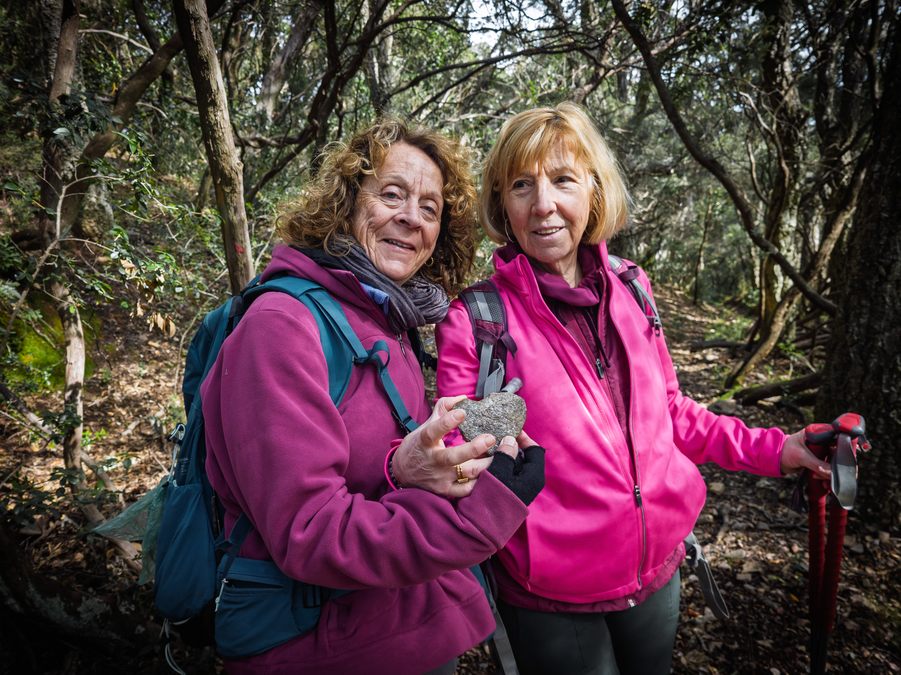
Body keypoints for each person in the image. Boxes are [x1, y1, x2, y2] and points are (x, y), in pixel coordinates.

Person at [435, 102, 830, 675]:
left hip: (657, 573)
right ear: (503, 202)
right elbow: (465, 459)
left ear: (593, 191)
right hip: (551, 594)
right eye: (522, 185)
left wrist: (778, 450)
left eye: (563, 180)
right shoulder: (478, 319)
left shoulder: (632, 288)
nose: (543, 204)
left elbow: (669, 413)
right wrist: (485, 431)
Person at [200, 117, 545, 674]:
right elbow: (308, 532)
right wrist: (476, 515)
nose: (411, 217)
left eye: (430, 209)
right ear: (346, 202)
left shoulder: (386, 320)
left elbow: (377, 471)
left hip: (398, 623)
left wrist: (421, 468)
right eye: (392, 194)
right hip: (317, 646)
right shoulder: (281, 326)